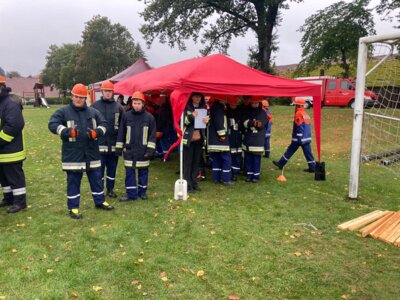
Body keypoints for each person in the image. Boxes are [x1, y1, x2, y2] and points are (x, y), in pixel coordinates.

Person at [48, 83, 114, 219]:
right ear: (72, 96)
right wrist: (67, 132)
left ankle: (100, 201)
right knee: (73, 181)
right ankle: (73, 208)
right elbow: (52, 124)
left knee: (96, 179)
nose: (78, 99)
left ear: (85, 99)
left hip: (92, 152)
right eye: (76, 96)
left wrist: (97, 133)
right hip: (73, 154)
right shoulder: (63, 111)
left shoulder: (93, 112)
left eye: (81, 97)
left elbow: (105, 124)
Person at [116, 91, 156, 201]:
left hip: (143, 151)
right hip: (129, 150)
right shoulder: (126, 116)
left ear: (143, 104)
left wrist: (150, 150)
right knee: (130, 173)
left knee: (143, 172)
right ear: (131, 103)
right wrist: (119, 148)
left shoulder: (150, 118)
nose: (136, 105)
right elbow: (121, 132)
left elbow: (152, 136)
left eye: (138, 103)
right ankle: (131, 194)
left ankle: (142, 193)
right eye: (134, 103)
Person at [91, 80, 124, 198]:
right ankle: (99, 191)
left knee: (112, 170)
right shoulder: (95, 106)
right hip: (99, 145)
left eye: (110, 91)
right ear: (102, 92)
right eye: (106, 91)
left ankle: (110, 189)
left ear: (113, 92)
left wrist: (121, 144)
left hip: (114, 145)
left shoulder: (119, 107)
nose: (108, 93)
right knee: (98, 171)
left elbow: (122, 126)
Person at [0, 76, 28, 213]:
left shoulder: (10, 104)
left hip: (11, 150)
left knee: (14, 177)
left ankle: (20, 202)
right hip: (2, 150)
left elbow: (14, 125)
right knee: (4, 177)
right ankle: (8, 198)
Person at [273, 98, 316, 172]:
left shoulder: (298, 113)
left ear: (298, 105)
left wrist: (299, 137)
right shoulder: (305, 114)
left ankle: (281, 163)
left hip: (299, 138)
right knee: (308, 153)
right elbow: (307, 126)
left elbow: (299, 126)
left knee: (290, 150)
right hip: (306, 138)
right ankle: (313, 168)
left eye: (296, 105)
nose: (295, 106)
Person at [182, 92, 208, 193]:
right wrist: (191, 116)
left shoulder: (203, 108)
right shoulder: (186, 108)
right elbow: (183, 122)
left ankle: (194, 182)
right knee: (188, 162)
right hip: (189, 138)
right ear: (191, 97)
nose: (197, 98)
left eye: (199, 97)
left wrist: (207, 121)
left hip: (199, 137)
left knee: (196, 162)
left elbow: (205, 122)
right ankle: (187, 184)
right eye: (195, 96)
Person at [208, 97, 234, 185]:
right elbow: (219, 123)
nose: (226, 99)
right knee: (226, 159)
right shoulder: (219, 109)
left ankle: (216, 178)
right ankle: (226, 179)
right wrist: (222, 135)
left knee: (216, 159)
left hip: (214, 140)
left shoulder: (215, 108)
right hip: (220, 140)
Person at [241, 97, 268, 183]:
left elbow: (261, 125)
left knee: (256, 159)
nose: (254, 105)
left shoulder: (263, 113)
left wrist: (251, 124)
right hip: (248, 140)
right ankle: (249, 176)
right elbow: (243, 123)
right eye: (253, 103)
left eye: (256, 103)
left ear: (259, 104)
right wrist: (252, 123)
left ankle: (256, 176)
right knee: (248, 159)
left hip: (257, 140)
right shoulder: (247, 112)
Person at [226, 95, 242, 181]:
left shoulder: (239, 112)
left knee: (237, 155)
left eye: (235, 104)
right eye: (232, 104)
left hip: (238, 137)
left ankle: (235, 172)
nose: (234, 106)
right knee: (230, 155)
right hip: (230, 137)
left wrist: (238, 125)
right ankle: (231, 172)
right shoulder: (226, 112)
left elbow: (242, 123)